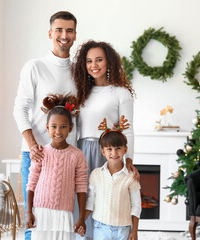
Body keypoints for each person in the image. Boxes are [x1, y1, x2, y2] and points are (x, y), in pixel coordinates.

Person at [13, 11, 77, 240]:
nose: (64, 35)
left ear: (75, 35)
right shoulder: (35, 66)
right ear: (50, 33)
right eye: (59, 30)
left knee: (62, 221)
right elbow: (19, 109)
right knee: (34, 222)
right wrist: (32, 145)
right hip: (37, 155)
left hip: (66, 156)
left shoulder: (79, 71)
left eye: (69, 30)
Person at [72, 40, 139, 239]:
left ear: (108, 62)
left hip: (108, 153)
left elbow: (127, 129)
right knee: (83, 201)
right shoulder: (81, 92)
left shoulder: (121, 93)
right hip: (82, 151)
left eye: (99, 60)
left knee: (106, 201)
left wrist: (128, 161)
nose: (94, 65)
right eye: (89, 61)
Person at [26, 94, 87, 240]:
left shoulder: (77, 155)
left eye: (63, 127)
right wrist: (29, 212)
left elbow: (81, 187)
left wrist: (81, 218)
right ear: (47, 127)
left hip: (64, 213)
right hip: (41, 212)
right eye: (54, 127)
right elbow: (31, 183)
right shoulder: (41, 153)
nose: (58, 131)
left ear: (70, 128)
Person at [77, 116, 141, 240]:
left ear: (125, 149)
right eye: (109, 149)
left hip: (124, 230)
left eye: (118, 148)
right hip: (100, 228)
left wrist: (134, 231)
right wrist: (82, 221)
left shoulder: (131, 176)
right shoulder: (96, 174)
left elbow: (136, 206)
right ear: (103, 151)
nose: (114, 153)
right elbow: (90, 203)